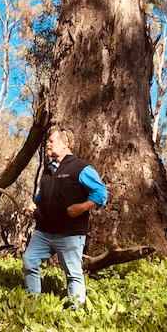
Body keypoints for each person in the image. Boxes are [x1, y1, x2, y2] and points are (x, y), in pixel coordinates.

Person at [23, 125, 107, 307]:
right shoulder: (48, 169)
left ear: (65, 143)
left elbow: (100, 194)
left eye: (51, 141)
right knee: (29, 261)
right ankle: (32, 304)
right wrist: (33, 204)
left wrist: (82, 207)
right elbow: (42, 195)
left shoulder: (81, 168)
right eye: (47, 141)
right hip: (43, 231)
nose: (47, 144)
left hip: (70, 233)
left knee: (73, 273)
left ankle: (76, 313)